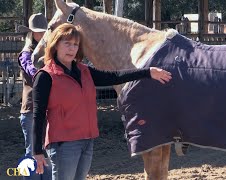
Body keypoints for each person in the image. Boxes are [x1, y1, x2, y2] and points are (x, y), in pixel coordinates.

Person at [32, 23, 172, 180]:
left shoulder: (84, 71)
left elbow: (114, 76)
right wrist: (37, 151)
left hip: (87, 142)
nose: (72, 49)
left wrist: (148, 72)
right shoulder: (45, 76)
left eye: (75, 45)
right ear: (56, 44)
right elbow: (38, 114)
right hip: (64, 145)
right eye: (67, 44)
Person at [17, 13, 51, 180]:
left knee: (47, 151)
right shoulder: (26, 53)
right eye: (39, 32)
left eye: (44, 31)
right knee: (33, 153)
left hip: (46, 109)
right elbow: (32, 70)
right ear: (31, 33)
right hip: (31, 108)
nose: (42, 35)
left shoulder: (49, 52)